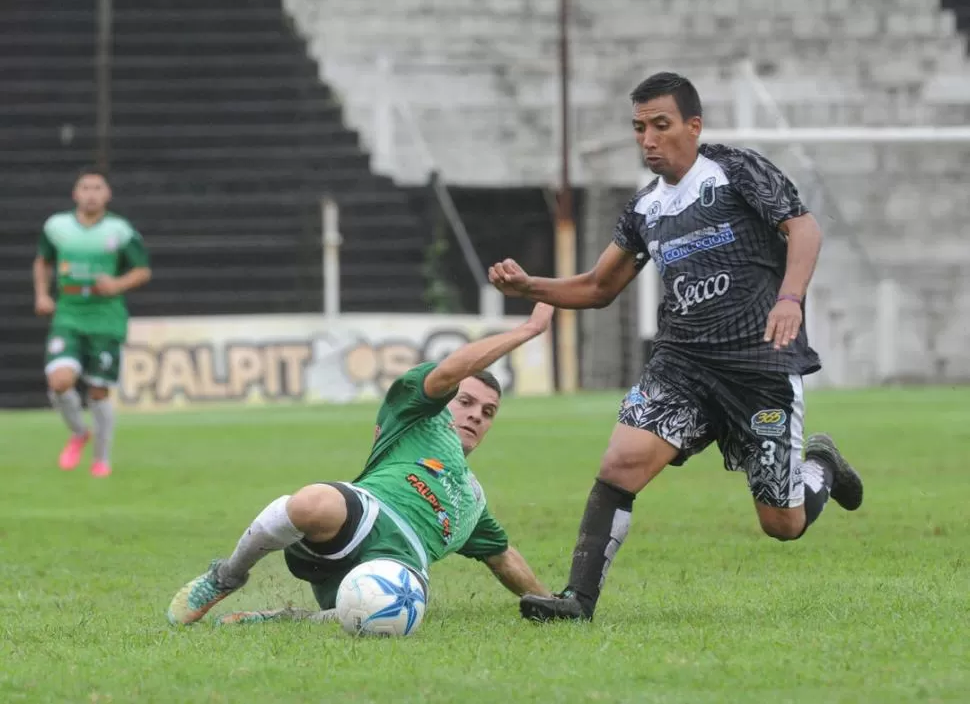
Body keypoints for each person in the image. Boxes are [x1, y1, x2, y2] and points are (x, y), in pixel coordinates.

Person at [488, 72, 864, 623]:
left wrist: (789, 298)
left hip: (757, 367)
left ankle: (822, 465)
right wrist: (531, 288)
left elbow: (804, 231)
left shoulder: (737, 171)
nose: (648, 139)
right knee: (620, 465)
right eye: (639, 128)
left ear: (694, 125)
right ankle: (577, 601)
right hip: (682, 364)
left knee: (781, 524)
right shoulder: (643, 209)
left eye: (660, 125)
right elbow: (599, 287)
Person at [166, 303, 555, 626]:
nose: (476, 416)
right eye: (466, 402)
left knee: (392, 610)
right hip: (362, 517)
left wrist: (550, 601)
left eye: (488, 412)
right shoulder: (418, 413)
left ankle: (287, 620)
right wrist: (527, 330)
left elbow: (503, 556)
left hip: (399, 564)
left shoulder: (473, 498)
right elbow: (451, 370)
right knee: (310, 502)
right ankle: (226, 576)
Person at [33, 167, 152, 478]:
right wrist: (43, 294)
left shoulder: (120, 231)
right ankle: (78, 432)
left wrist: (116, 284)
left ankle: (101, 457)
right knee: (60, 381)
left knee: (98, 392)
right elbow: (43, 261)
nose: (91, 194)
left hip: (106, 317)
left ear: (107, 194)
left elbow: (142, 270)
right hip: (69, 312)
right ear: (75, 194)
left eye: (97, 188)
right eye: (85, 188)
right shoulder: (57, 227)